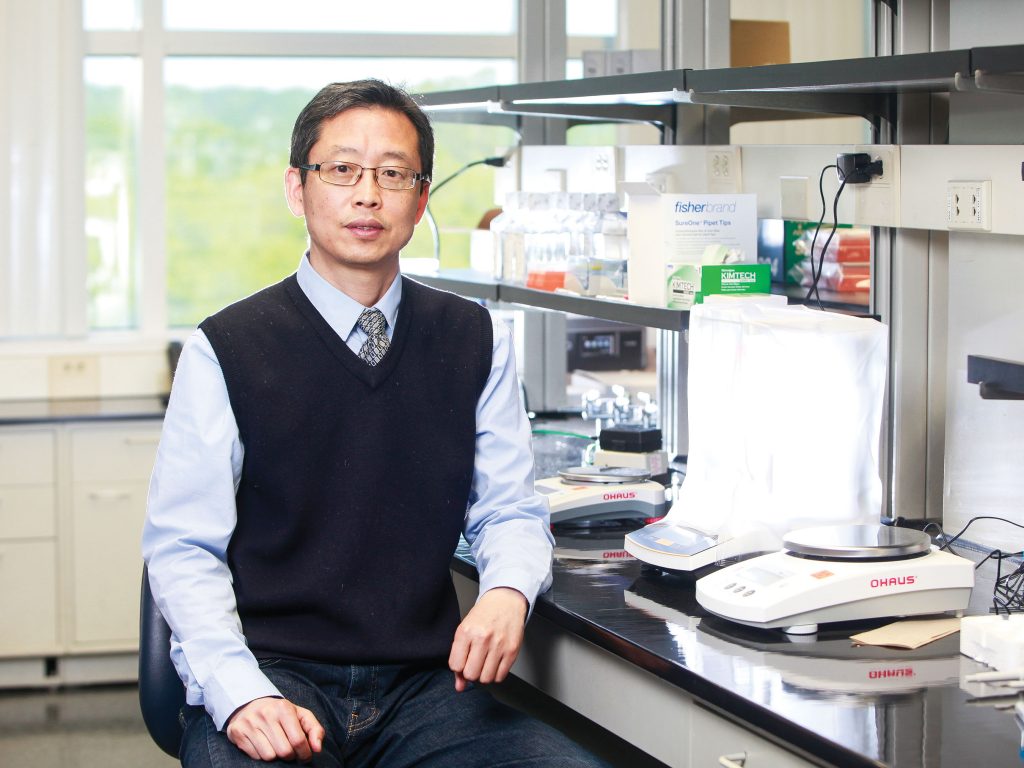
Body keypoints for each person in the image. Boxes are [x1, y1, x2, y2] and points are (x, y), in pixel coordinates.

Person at [142, 79, 609, 768]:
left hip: (427, 690)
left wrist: (507, 590)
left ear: (420, 201)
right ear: (298, 189)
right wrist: (239, 695)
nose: (368, 194)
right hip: (277, 678)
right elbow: (185, 551)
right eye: (342, 170)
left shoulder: (473, 337)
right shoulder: (228, 348)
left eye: (393, 174)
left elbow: (509, 508)